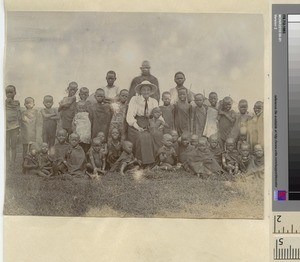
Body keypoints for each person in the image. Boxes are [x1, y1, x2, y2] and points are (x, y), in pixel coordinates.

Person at [126, 80, 160, 165]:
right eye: (144, 90)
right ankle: (141, 162)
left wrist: (160, 123)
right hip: (136, 123)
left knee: (156, 135)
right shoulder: (134, 99)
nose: (146, 92)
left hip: (149, 123)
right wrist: (137, 127)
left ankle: (156, 161)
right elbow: (130, 115)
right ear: (140, 91)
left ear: (151, 91)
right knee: (142, 136)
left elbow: (158, 113)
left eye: (148, 90)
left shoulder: (154, 101)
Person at [5, 85, 21, 165]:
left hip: (15, 126)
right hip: (6, 127)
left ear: (15, 93)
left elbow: (18, 112)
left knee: (13, 145)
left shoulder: (16, 102)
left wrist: (20, 126)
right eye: (7, 92)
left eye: (11, 92)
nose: (9, 94)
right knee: (6, 145)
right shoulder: (3, 102)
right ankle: (7, 161)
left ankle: (13, 161)